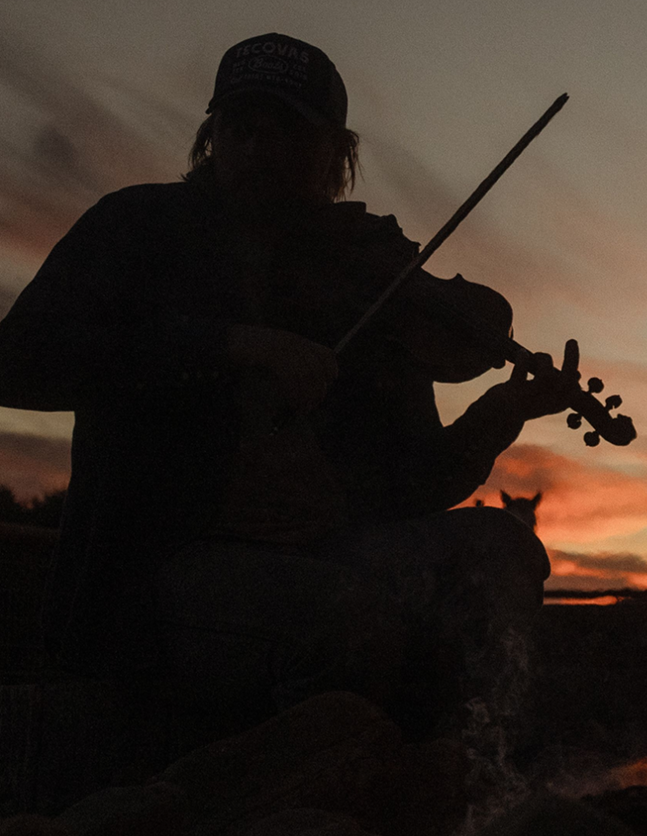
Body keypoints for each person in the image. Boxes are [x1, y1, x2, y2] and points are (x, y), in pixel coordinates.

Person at [0, 34, 579, 770]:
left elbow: (410, 486)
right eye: (241, 127)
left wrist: (497, 417)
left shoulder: (362, 276)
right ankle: (282, 825)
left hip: (331, 554)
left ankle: (473, 787)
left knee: (501, 554)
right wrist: (233, 344)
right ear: (212, 138)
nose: (261, 149)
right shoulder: (137, 230)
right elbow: (17, 361)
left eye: (291, 133)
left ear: (337, 156)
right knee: (342, 620)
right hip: (159, 572)